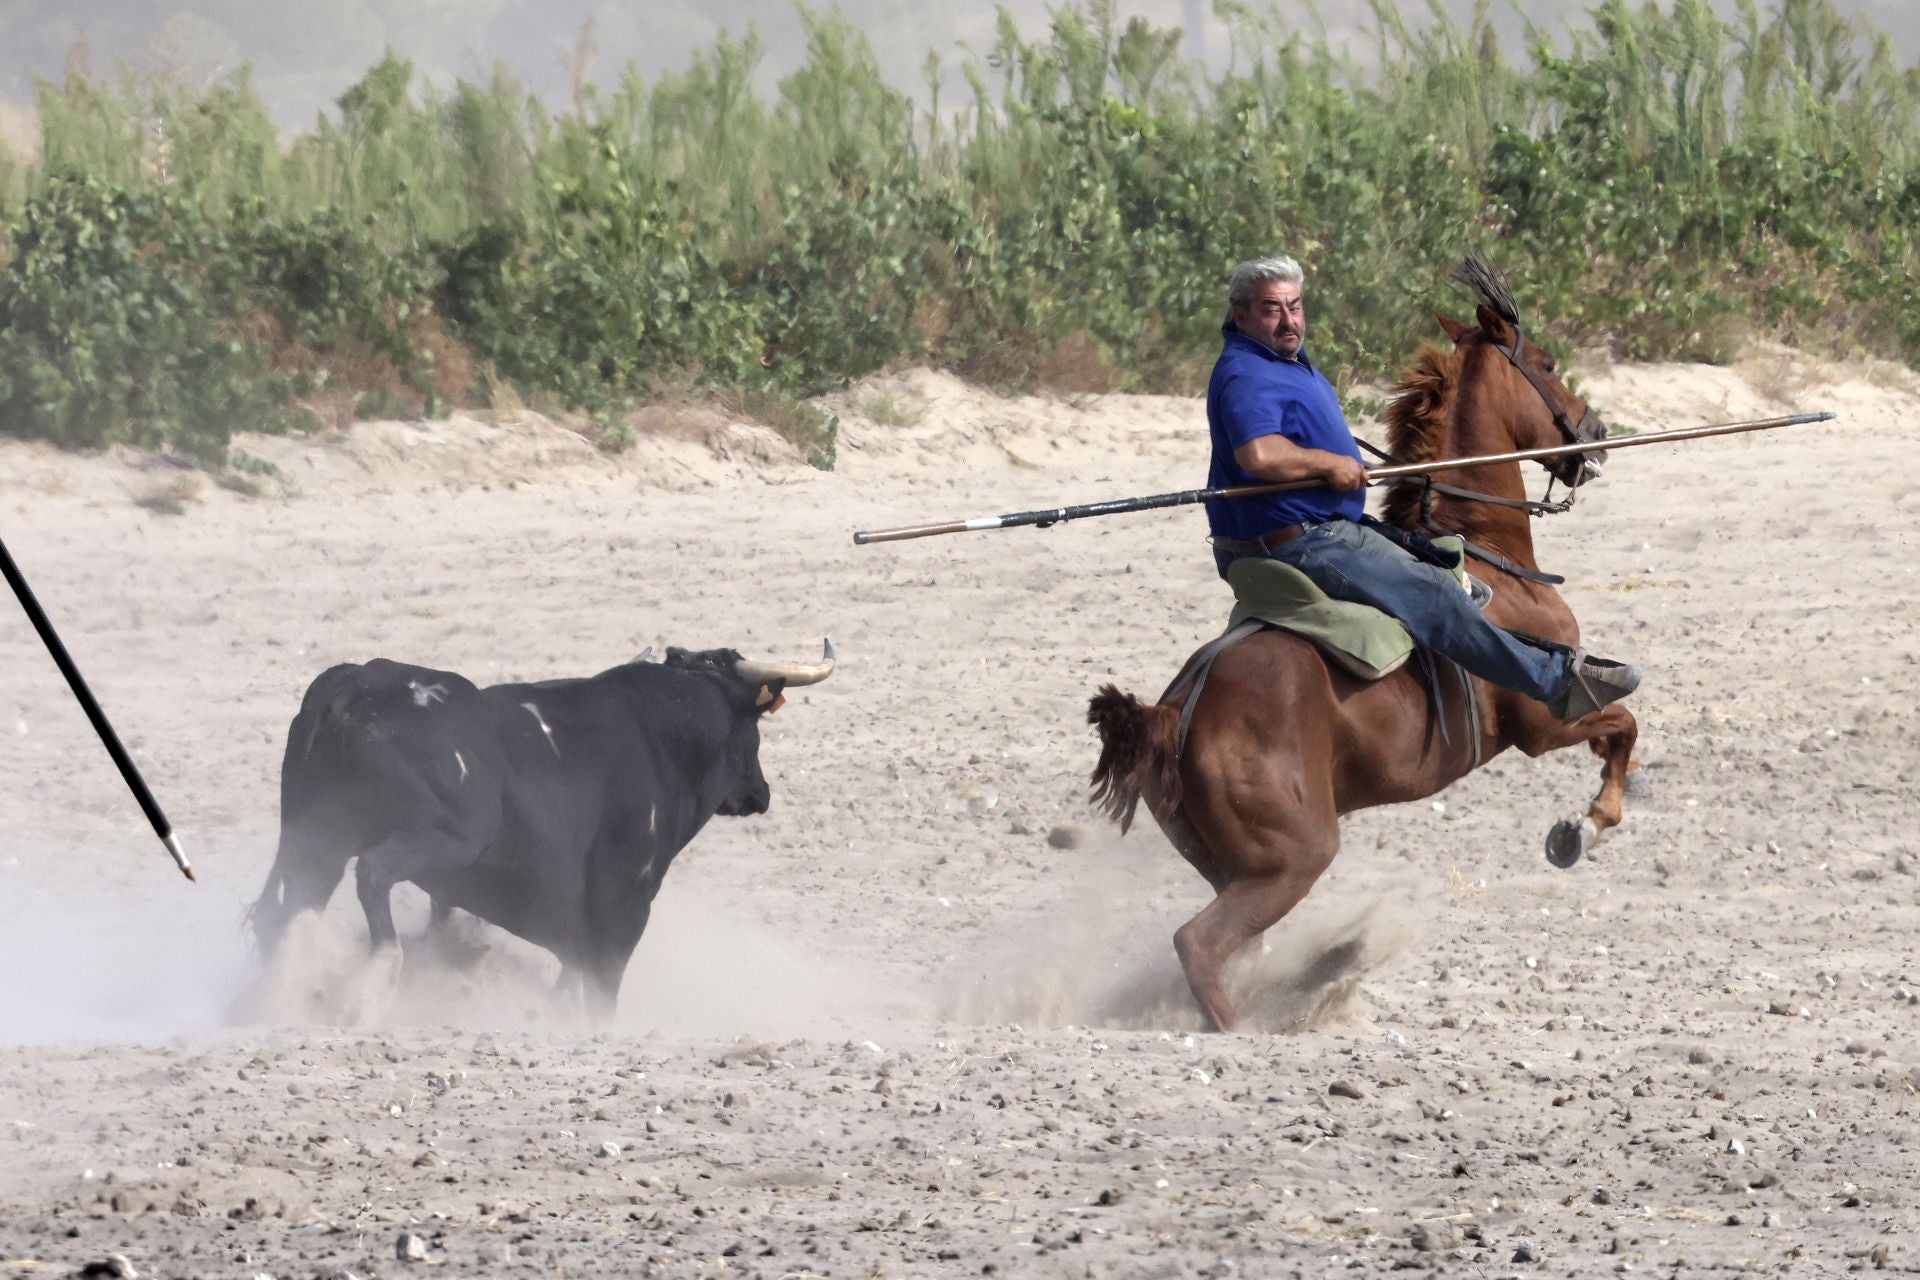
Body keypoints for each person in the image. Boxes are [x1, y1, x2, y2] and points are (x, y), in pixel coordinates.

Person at [1204, 255, 1638, 723]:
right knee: (1433, 593)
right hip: (1301, 539)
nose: (1289, 320)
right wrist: (1331, 463)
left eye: (1295, 306)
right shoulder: (1247, 372)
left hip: (1318, 526)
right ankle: (1556, 684)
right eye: (1272, 309)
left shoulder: (1282, 360)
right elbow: (1259, 454)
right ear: (1241, 314)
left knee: (1437, 561)